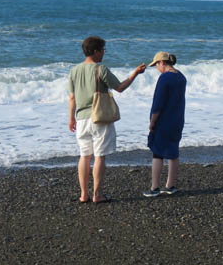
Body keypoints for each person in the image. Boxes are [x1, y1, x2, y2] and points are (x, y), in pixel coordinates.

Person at [68, 36, 145, 203]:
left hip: (81, 119)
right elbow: (120, 87)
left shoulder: (74, 71)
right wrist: (135, 74)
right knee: (100, 156)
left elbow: (72, 98)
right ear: (95, 51)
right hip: (99, 117)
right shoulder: (100, 69)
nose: (104, 53)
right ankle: (97, 195)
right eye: (103, 50)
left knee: (84, 156)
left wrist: (71, 119)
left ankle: (83, 194)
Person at [144, 51, 187, 197]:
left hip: (164, 120)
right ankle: (170, 185)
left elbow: (158, 104)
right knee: (173, 152)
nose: (156, 67)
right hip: (177, 119)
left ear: (162, 62)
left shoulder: (164, 78)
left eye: (156, 64)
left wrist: (152, 122)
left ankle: (155, 187)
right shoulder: (181, 77)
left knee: (157, 153)